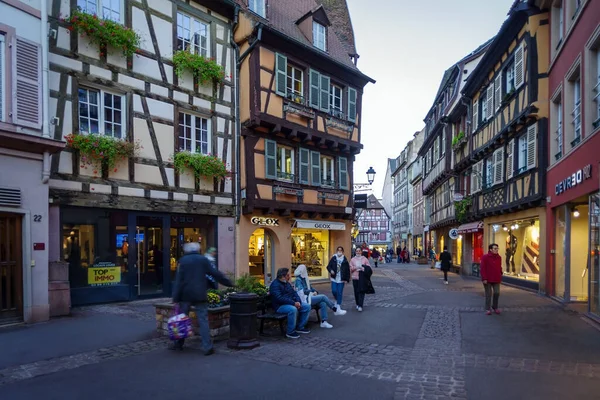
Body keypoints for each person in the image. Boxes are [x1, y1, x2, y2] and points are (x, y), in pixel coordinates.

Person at [172, 242, 234, 354]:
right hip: (200, 294)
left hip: (185, 295)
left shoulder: (182, 261)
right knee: (203, 321)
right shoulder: (203, 260)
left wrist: (175, 297)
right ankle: (207, 347)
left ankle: (178, 344)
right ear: (198, 250)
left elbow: (178, 281)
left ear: (187, 250)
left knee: (181, 319)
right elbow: (216, 274)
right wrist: (229, 283)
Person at [294, 264, 346, 329]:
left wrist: (315, 291)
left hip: (309, 297)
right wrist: (311, 292)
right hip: (304, 299)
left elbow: (310, 287)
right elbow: (301, 292)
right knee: (323, 297)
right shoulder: (298, 280)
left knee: (323, 303)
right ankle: (334, 308)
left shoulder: (305, 278)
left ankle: (324, 322)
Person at [269, 268, 311, 339]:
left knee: (306, 306)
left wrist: (298, 302)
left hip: (291, 303)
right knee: (293, 309)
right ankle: (290, 332)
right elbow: (279, 298)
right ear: (283, 276)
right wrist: (293, 303)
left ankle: (300, 327)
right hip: (280, 306)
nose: (289, 277)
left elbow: (294, 293)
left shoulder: (287, 283)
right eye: (288, 275)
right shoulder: (275, 285)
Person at [480, 243, 503, 315]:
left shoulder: (499, 257)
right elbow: (482, 268)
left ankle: (495, 307)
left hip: (496, 278)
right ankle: (487, 308)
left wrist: (500, 273)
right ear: (490, 249)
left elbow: (499, 266)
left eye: (497, 248)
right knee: (488, 294)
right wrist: (484, 278)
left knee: (497, 293)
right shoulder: (485, 257)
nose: (496, 250)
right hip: (487, 279)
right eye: (495, 248)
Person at [326, 246, 351, 312]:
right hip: (334, 278)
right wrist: (331, 270)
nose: (339, 251)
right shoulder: (334, 258)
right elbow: (328, 266)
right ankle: (336, 300)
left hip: (341, 279)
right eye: (338, 250)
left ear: (342, 252)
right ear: (336, 251)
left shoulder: (345, 260)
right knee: (334, 291)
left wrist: (347, 279)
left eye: (341, 250)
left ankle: (338, 305)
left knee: (339, 292)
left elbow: (347, 270)